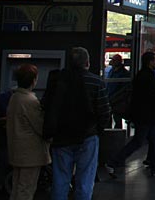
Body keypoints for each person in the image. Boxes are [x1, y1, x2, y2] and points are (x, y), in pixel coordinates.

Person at [43, 47, 111, 198]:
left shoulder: (57, 79)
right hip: (87, 136)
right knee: (85, 179)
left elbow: (46, 105)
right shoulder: (96, 82)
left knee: (60, 179)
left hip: (61, 137)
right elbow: (104, 112)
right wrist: (98, 129)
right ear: (87, 62)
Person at [106, 51, 155, 178]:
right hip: (146, 116)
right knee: (139, 141)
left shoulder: (141, 75)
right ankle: (113, 162)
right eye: (154, 60)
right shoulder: (147, 77)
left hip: (145, 115)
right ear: (149, 62)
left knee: (153, 140)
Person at [6, 64, 50, 200]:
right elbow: (41, 127)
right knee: (26, 189)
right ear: (33, 80)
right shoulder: (30, 101)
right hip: (30, 154)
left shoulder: (15, 97)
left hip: (16, 151)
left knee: (17, 187)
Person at [106, 54, 130, 129]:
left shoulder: (124, 73)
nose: (112, 62)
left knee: (117, 119)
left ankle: (117, 135)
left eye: (114, 60)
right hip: (110, 98)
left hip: (118, 101)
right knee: (108, 119)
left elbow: (124, 89)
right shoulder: (111, 71)